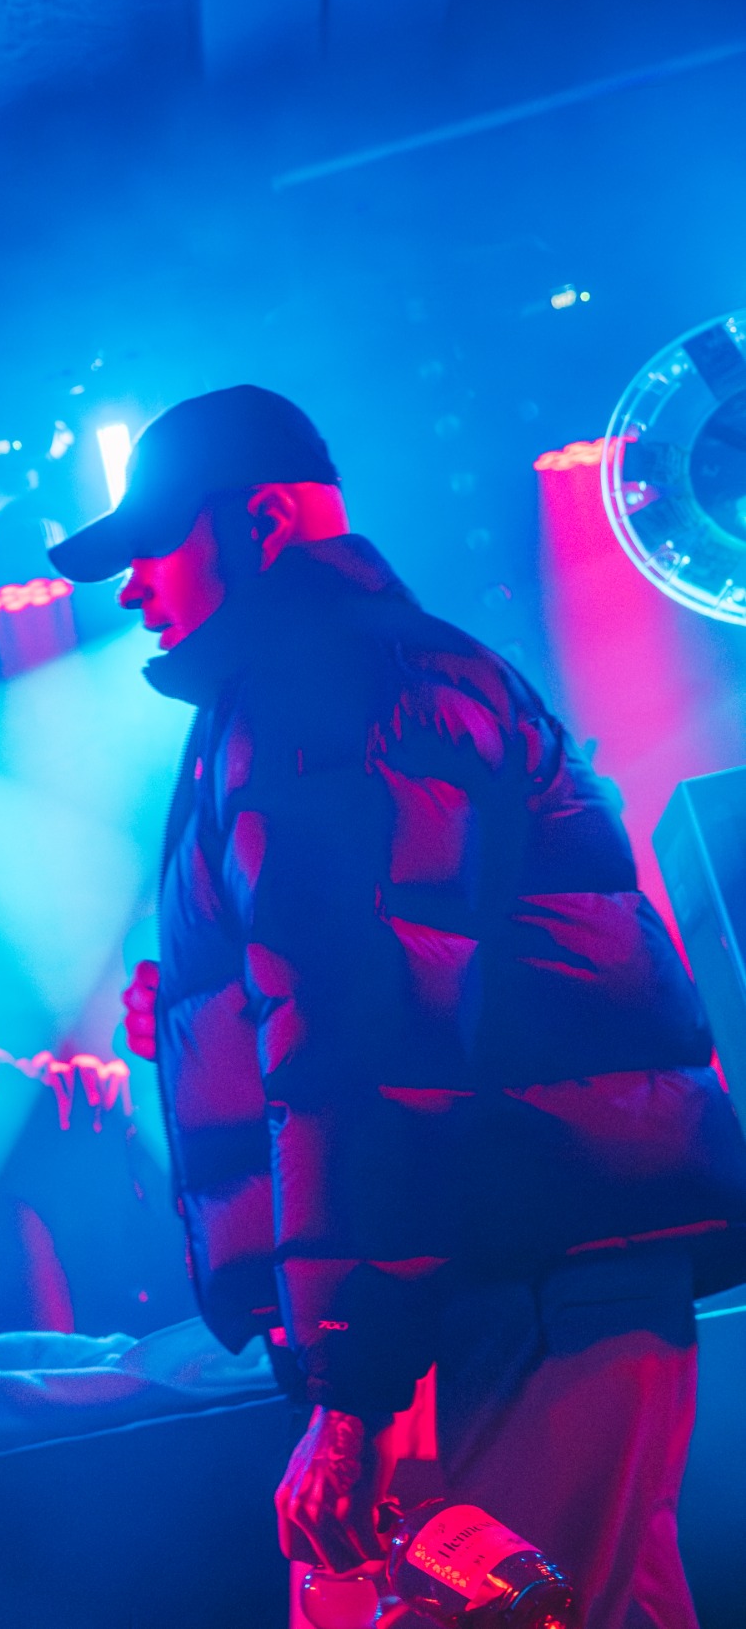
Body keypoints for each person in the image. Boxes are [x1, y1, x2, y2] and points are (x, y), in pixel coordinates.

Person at [52, 386, 746, 1627]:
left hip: (501, 1292)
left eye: (151, 546)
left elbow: (367, 1043)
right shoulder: (349, 671)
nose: (130, 588)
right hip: (529, 1276)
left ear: (262, 521)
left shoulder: (324, 683)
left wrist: (356, 1386)